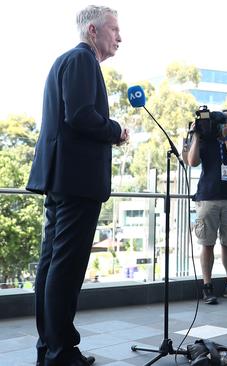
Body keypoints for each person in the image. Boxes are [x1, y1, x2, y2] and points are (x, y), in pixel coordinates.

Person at [25, 5, 127, 366]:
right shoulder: (83, 60)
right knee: (65, 270)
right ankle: (61, 352)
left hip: (61, 181)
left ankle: (49, 348)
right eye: (114, 29)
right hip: (77, 182)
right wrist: (116, 131)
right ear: (93, 32)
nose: (120, 37)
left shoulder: (66, 62)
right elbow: (81, 115)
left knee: (53, 265)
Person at [185, 109, 227, 304]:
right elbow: (192, 161)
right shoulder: (206, 142)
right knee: (207, 244)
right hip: (207, 198)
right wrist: (196, 135)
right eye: (224, 122)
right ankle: (207, 286)